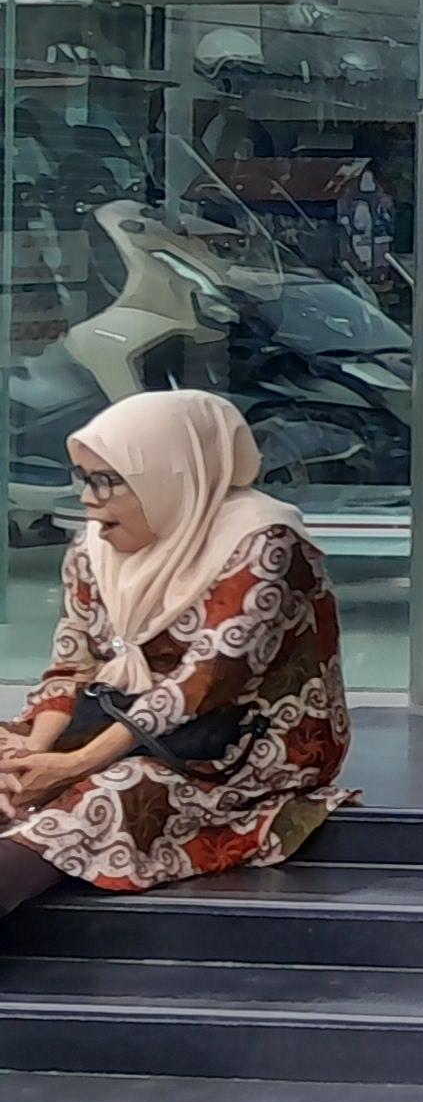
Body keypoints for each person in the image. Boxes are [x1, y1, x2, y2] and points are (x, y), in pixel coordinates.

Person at [0, 393, 349, 927]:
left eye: (107, 481)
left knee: (117, 792)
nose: (89, 500)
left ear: (171, 474)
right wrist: (34, 751)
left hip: (233, 750)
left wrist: (74, 764)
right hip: (113, 719)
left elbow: (203, 682)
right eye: (84, 478)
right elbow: (72, 666)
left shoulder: (262, 541)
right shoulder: (95, 545)